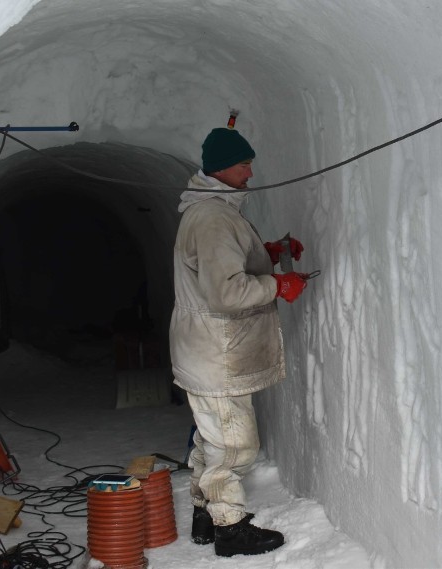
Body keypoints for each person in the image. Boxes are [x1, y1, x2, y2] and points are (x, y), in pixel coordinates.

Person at [169, 127, 309, 557]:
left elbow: (219, 262)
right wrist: (277, 283)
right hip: (218, 352)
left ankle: (203, 514)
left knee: (211, 440)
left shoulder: (213, 210)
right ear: (221, 168)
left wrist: (265, 252)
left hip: (205, 348)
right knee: (234, 444)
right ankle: (230, 529)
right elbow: (226, 292)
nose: (251, 171)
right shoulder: (212, 217)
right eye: (244, 164)